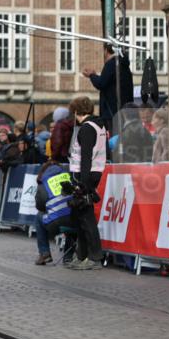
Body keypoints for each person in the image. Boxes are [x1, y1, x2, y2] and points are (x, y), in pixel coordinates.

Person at [66, 96, 107, 270]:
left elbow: (86, 158)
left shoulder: (86, 129)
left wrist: (82, 184)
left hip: (84, 176)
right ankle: (82, 254)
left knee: (86, 218)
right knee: (79, 217)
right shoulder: (99, 126)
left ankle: (94, 256)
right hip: (94, 173)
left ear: (76, 111)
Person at [82, 43, 134, 129]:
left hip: (112, 112)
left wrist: (91, 75)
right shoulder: (123, 65)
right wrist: (95, 76)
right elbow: (108, 82)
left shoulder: (111, 64)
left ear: (106, 51)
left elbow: (101, 84)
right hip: (123, 110)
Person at [32, 160, 74, 265]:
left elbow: (39, 206)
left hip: (55, 224)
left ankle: (44, 253)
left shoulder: (44, 181)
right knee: (70, 216)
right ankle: (68, 257)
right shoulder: (69, 175)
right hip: (74, 221)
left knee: (38, 217)